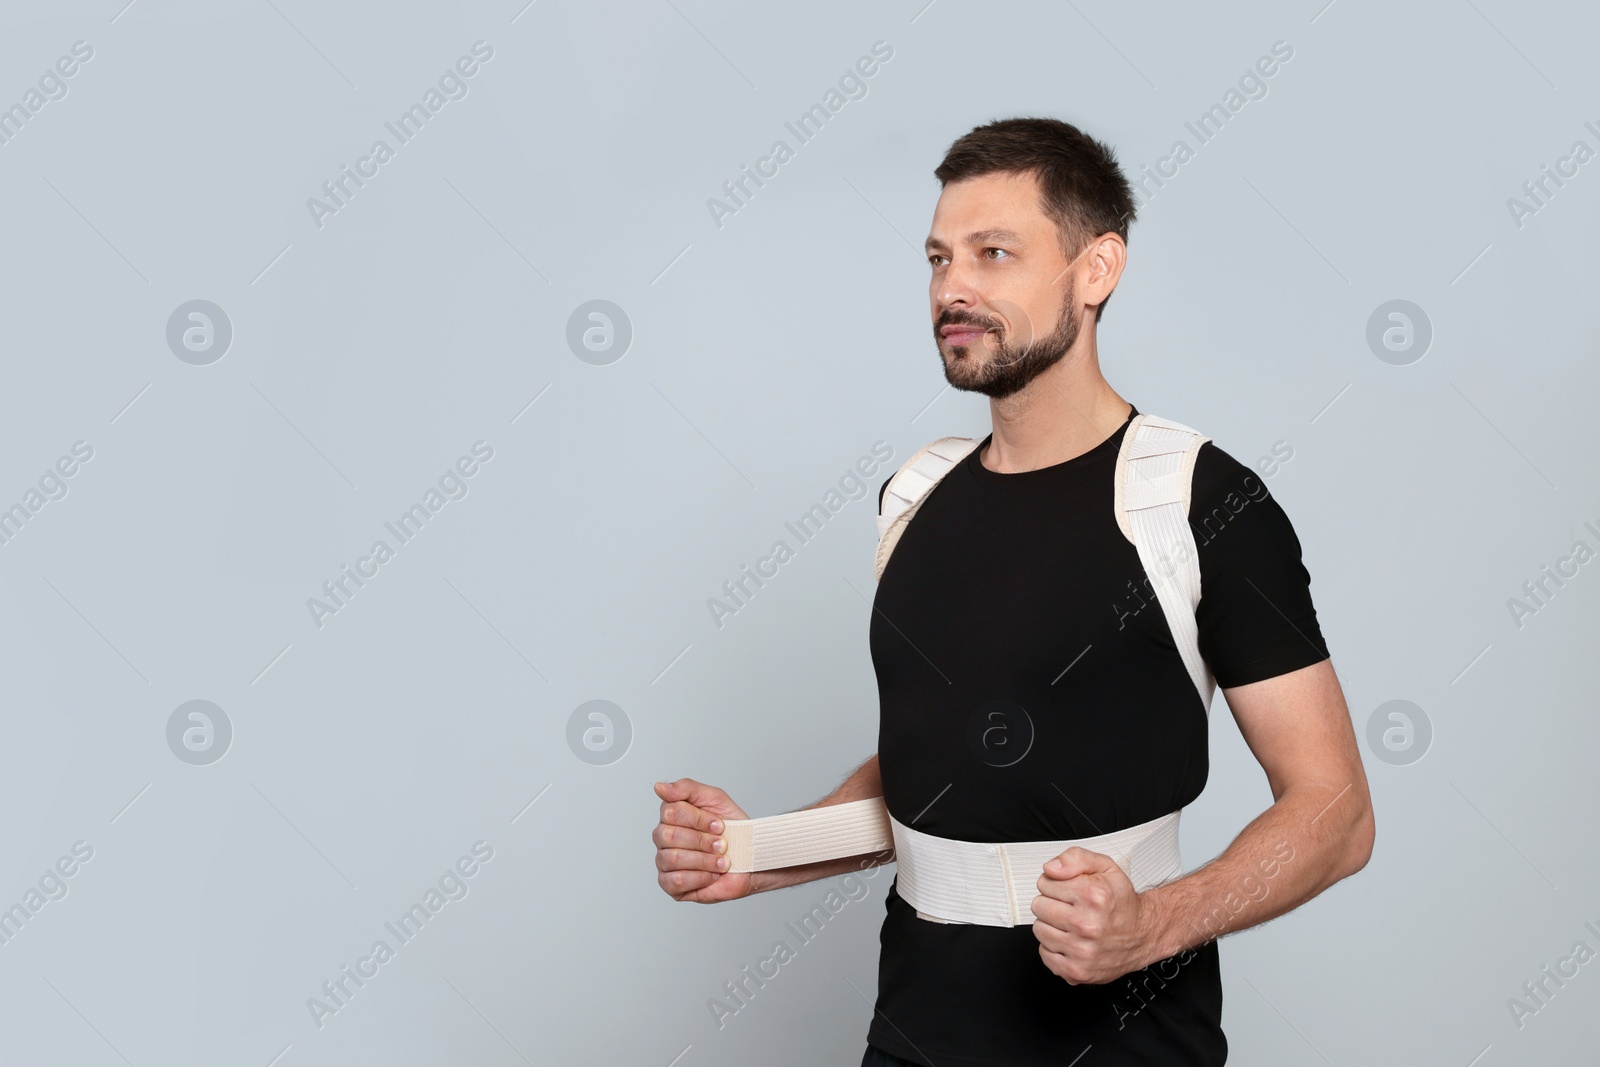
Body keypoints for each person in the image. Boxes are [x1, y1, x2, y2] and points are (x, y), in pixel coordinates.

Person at [653, 116, 1374, 1066]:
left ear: (1096, 268)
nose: (953, 286)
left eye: (995, 253)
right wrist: (760, 851)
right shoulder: (914, 497)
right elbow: (938, 777)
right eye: (940, 257)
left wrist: (1150, 925)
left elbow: (1336, 809)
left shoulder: (1200, 501)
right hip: (912, 1037)